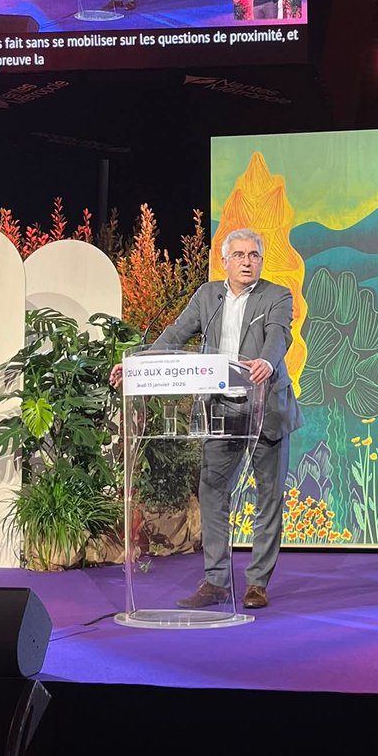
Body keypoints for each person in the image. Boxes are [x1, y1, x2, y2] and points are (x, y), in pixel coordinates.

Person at [114, 228, 301, 610]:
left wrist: (266, 361)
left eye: (254, 256)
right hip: (221, 411)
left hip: (265, 408)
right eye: (240, 255)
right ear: (225, 260)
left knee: (269, 496)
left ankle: (257, 584)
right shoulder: (207, 296)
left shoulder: (276, 295)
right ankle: (216, 581)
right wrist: (135, 366)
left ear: (261, 261)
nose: (247, 262)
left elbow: (279, 336)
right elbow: (174, 335)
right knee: (212, 491)